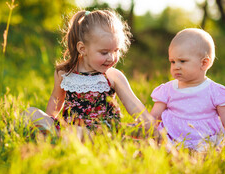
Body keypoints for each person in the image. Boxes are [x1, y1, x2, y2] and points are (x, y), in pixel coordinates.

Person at [23, 9, 155, 138]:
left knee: (79, 132)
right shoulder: (64, 73)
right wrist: (50, 121)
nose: (112, 57)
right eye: (104, 52)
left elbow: (133, 104)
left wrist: (149, 124)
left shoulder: (112, 76)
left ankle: (59, 139)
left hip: (99, 132)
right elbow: (56, 99)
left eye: (116, 51)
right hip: (68, 127)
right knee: (29, 113)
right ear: (82, 48)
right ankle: (53, 135)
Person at [150, 28, 225, 151]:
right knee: (161, 145)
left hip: (205, 138)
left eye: (182, 61)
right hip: (172, 137)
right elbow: (152, 118)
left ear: (204, 63)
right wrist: (151, 133)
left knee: (213, 149)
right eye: (172, 61)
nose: (176, 66)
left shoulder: (215, 92)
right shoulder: (167, 90)